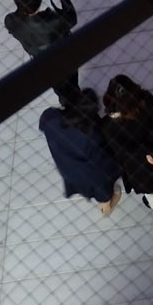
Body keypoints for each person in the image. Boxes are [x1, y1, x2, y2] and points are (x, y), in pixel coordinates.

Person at [5, 0, 81, 104]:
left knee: (60, 89)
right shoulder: (52, 22)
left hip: (43, 65)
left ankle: (66, 101)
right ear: (39, 2)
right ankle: (76, 106)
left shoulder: (10, 21)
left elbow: (27, 5)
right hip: (64, 62)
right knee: (71, 88)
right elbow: (72, 18)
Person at [101, 74, 153, 213]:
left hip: (136, 162)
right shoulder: (147, 100)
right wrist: (152, 150)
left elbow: (120, 149)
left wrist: (144, 153)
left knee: (148, 186)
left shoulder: (108, 124)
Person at [40, 87, 122, 215]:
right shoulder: (90, 135)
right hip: (91, 174)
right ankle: (106, 208)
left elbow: (42, 124)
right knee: (104, 194)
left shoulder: (51, 118)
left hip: (67, 168)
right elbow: (103, 162)